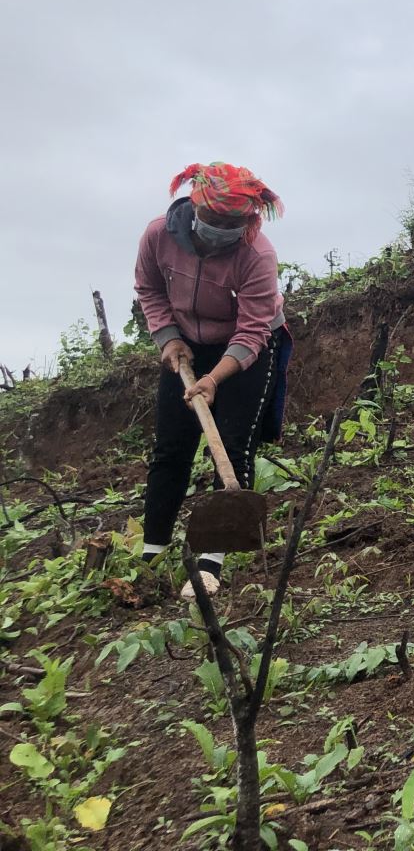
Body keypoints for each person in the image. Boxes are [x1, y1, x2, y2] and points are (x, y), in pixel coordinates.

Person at [134, 162, 289, 599]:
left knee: (235, 444)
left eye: (233, 223)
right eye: (215, 219)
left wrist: (215, 378)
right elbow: (149, 288)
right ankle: (153, 551)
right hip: (186, 341)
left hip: (248, 348)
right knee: (170, 448)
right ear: (196, 206)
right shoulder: (158, 236)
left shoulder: (255, 254)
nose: (222, 229)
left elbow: (253, 330)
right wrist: (167, 339)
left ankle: (210, 563)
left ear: (248, 220)